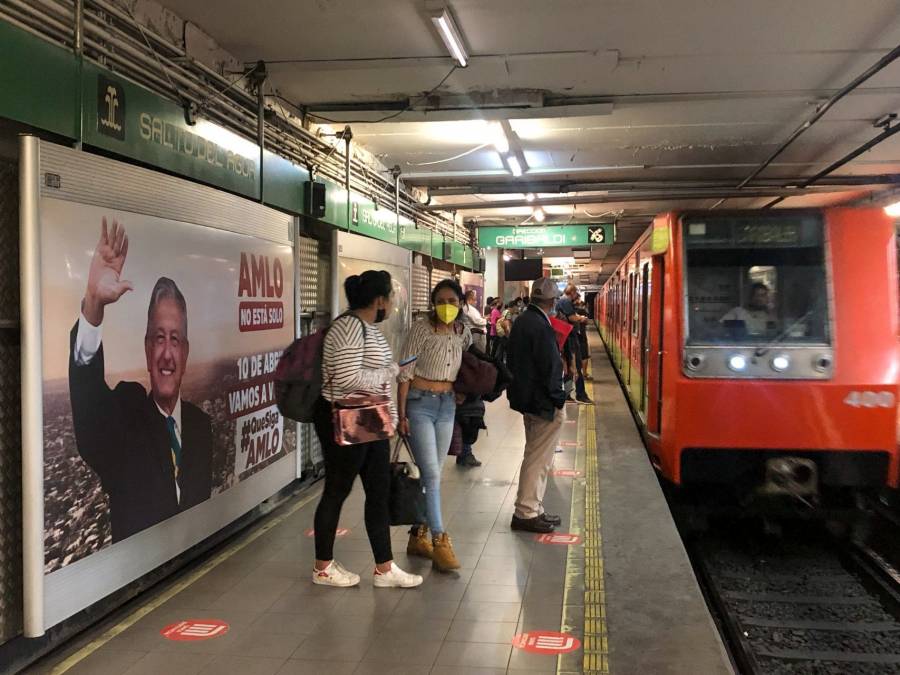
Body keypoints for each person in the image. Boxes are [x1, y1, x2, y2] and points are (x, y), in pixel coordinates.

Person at [69, 219, 213, 542]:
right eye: (158, 338)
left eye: (175, 340)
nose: (166, 353)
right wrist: (93, 307)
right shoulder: (125, 422)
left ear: (186, 354)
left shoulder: (202, 429)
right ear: (147, 350)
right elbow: (91, 415)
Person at [312, 270, 422, 588]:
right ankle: (322, 567)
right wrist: (390, 371)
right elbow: (346, 379)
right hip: (347, 420)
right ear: (379, 300)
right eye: (388, 298)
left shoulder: (368, 328)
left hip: (373, 421)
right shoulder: (347, 328)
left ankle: (384, 568)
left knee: (378, 492)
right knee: (337, 490)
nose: (389, 304)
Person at [399, 279, 472, 571]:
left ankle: (418, 535)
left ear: (460, 304)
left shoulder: (461, 331)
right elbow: (404, 372)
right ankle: (440, 539)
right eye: (441, 301)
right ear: (432, 303)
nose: (447, 307)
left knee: (435, 473)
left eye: (452, 301)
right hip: (419, 404)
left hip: (447, 405)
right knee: (430, 472)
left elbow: (465, 362)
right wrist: (401, 414)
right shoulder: (420, 329)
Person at [506, 277, 567, 533]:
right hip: (542, 402)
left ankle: (534, 507)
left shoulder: (522, 321)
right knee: (538, 457)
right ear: (552, 302)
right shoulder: (541, 326)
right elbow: (549, 367)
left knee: (535, 453)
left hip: (527, 400)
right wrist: (558, 399)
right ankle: (526, 512)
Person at [557, 284, 593, 405]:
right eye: (575, 293)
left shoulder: (561, 301)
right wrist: (582, 318)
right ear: (571, 292)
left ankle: (567, 394)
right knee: (577, 365)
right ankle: (581, 394)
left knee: (569, 368)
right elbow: (572, 317)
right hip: (569, 338)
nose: (575, 295)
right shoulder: (565, 301)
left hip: (566, 337)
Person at [461, 289, 488, 353]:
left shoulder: (468, 308)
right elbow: (477, 321)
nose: (476, 300)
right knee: (479, 354)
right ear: (471, 298)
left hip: (476, 335)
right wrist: (485, 320)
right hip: (476, 336)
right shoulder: (468, 308)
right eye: (475, 298)